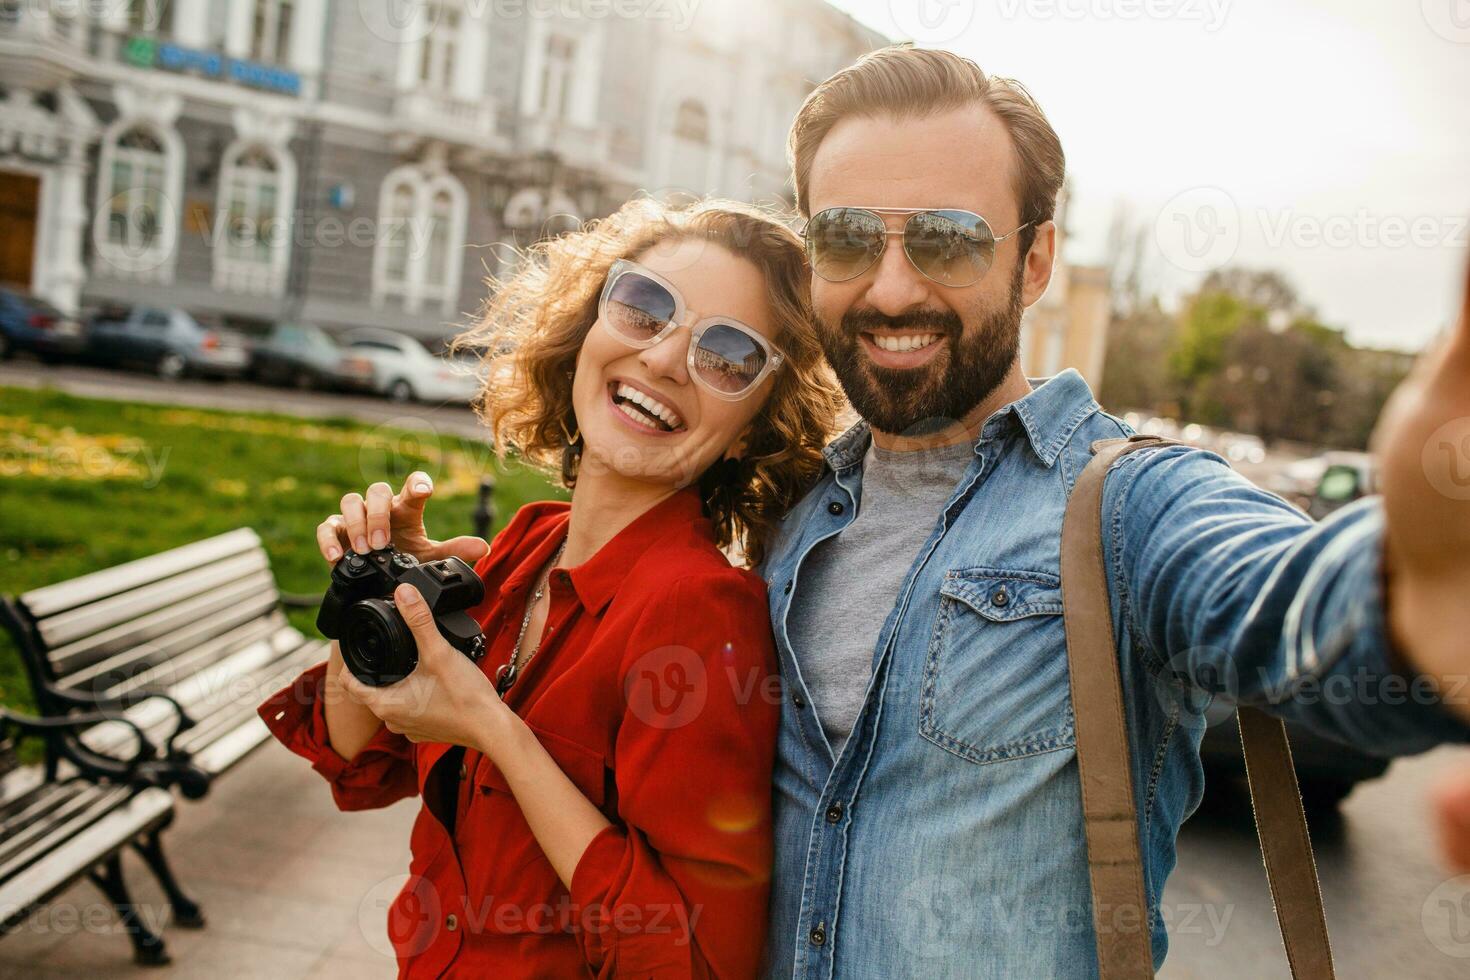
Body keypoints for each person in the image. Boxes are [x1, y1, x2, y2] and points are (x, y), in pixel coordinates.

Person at [758, 45, 1470, 978]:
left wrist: (1428, 587)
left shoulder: (1129, 508)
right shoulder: (790, 511)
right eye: (848, 239)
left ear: (1036, 259)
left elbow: (1289, 604)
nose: (892, 288)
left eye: (949, 240)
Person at [257, 198, 842, 978]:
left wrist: (497, 734)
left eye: (729, 356)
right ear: (586, 330)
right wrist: (376, 591)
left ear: (754, 426)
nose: (666, 359)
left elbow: (696, 958)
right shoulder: (528, 546)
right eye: (644, 307)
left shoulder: (700, 612)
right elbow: (356, 753)